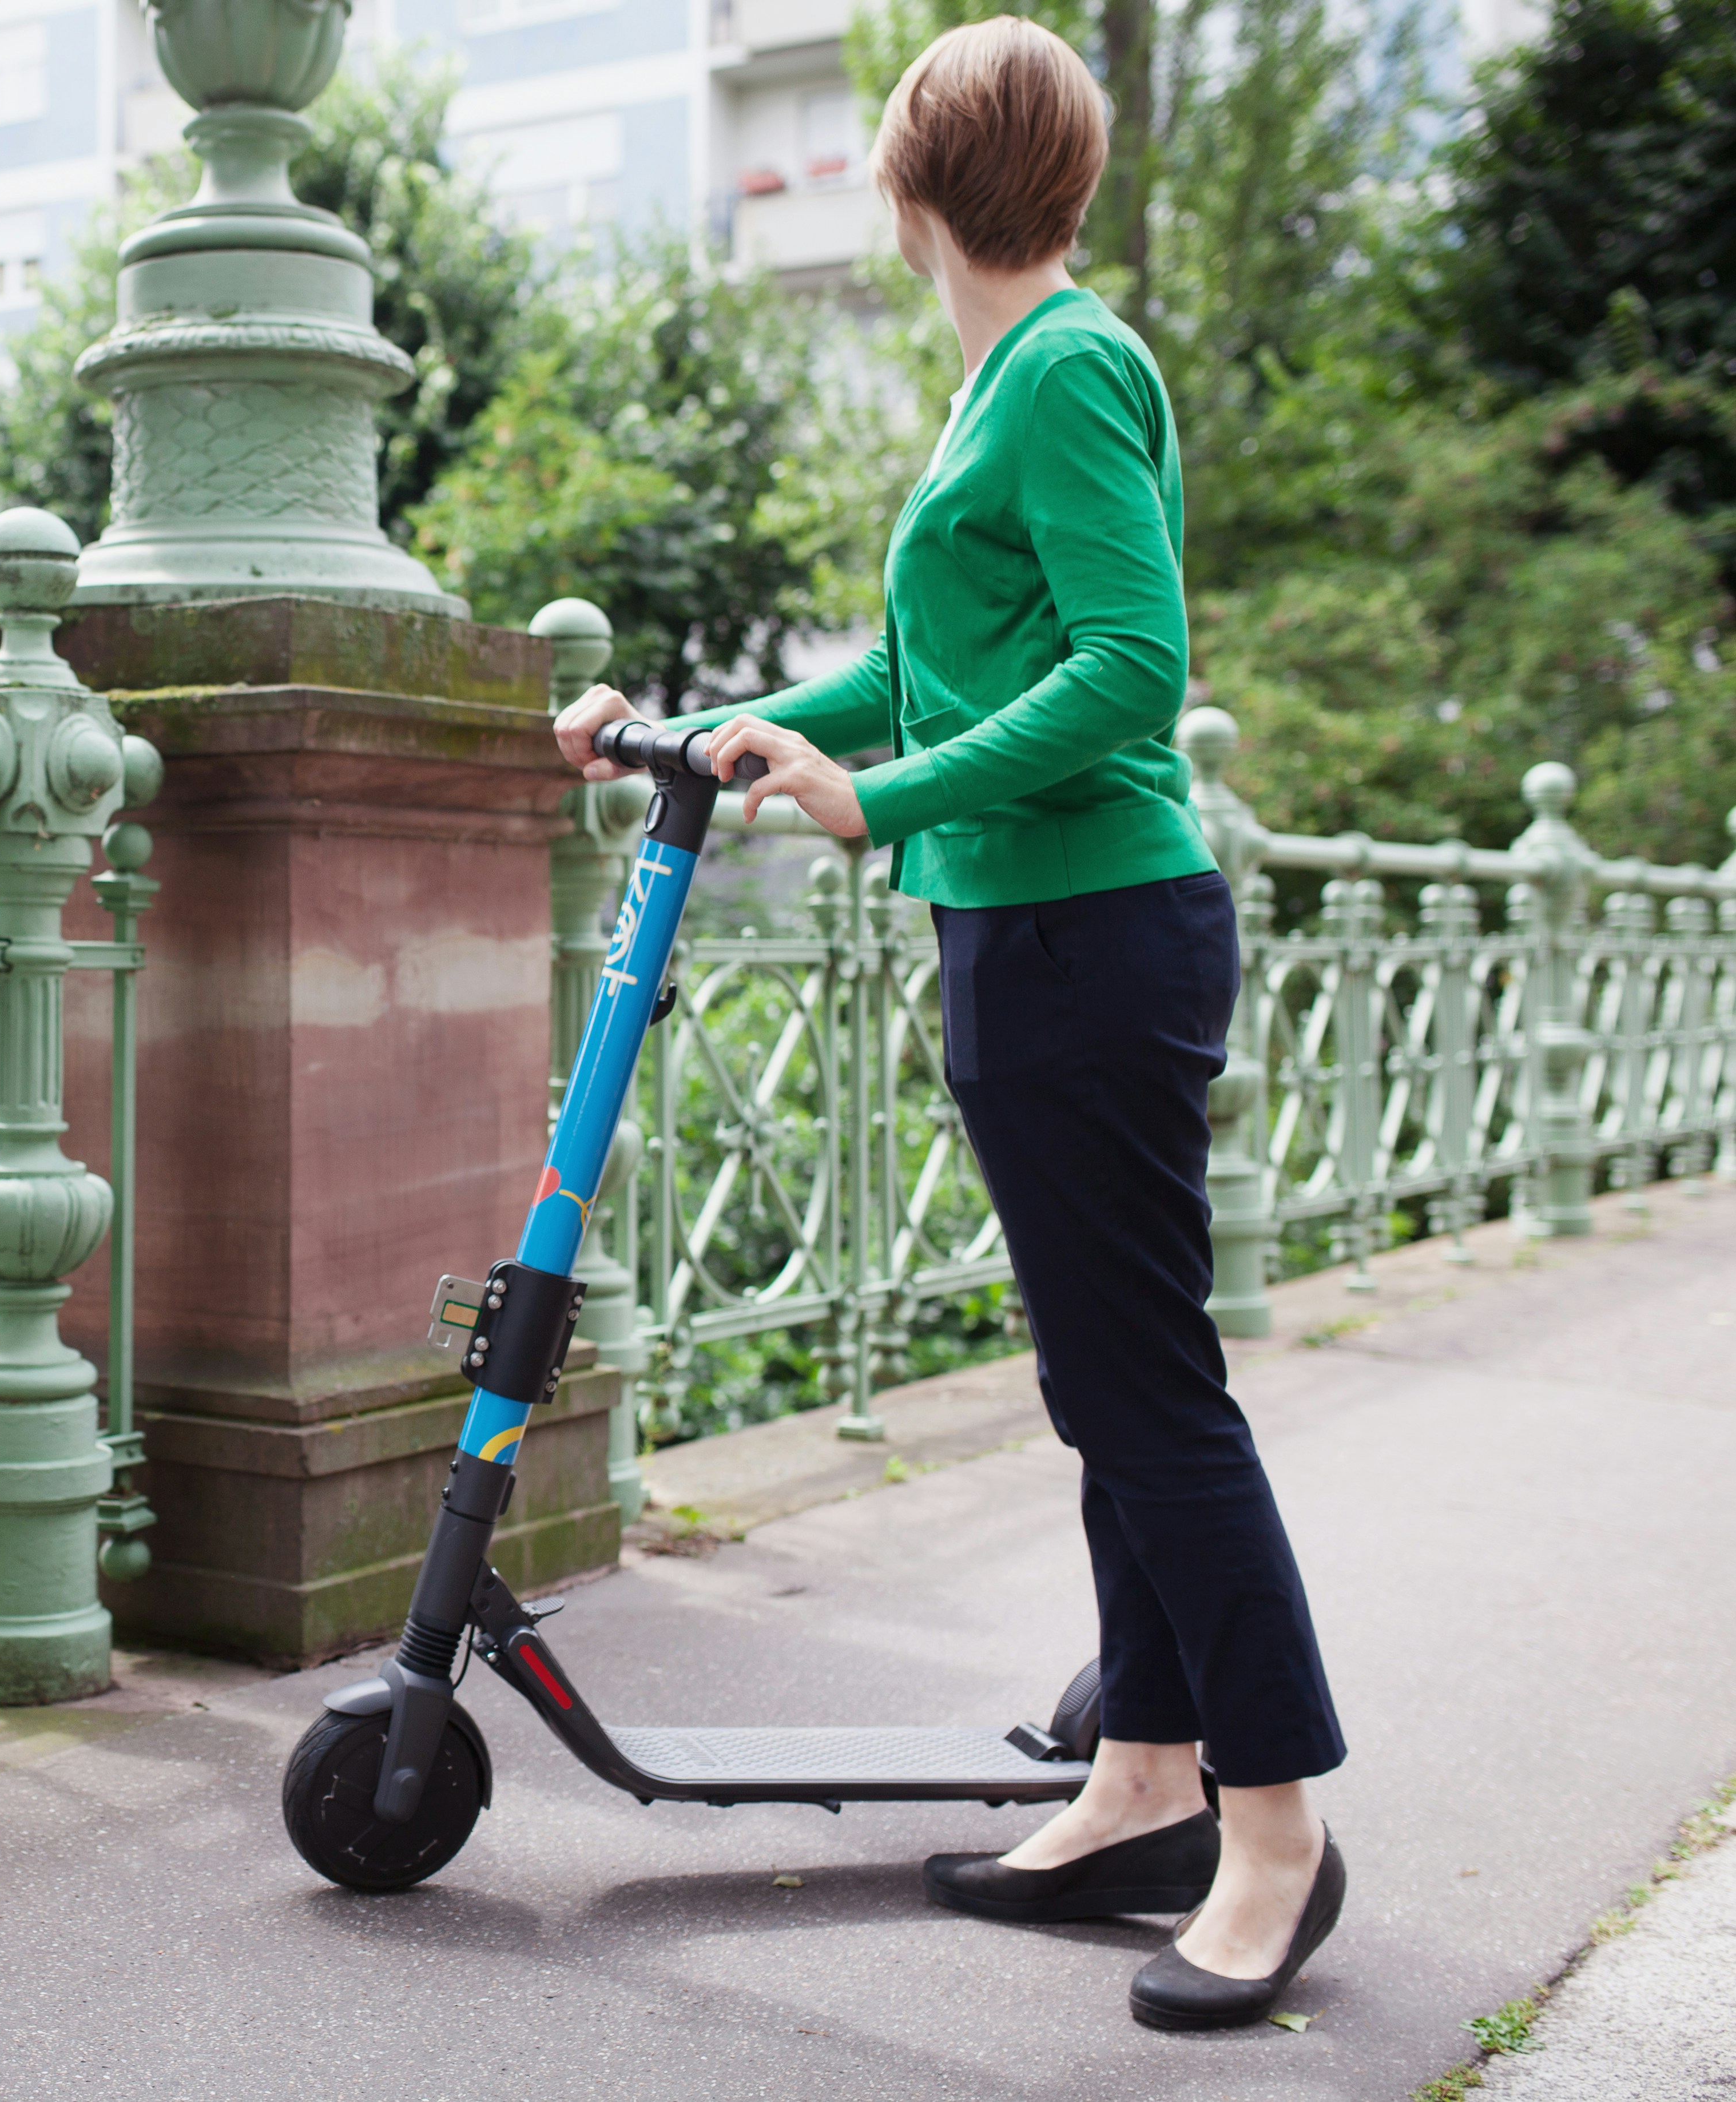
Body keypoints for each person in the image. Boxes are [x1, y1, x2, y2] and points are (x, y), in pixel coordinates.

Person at [554, 14, 1345, 2033]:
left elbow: (1127, 673)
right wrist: (759, 733)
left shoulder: (1067, 363)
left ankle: (1271, 1840)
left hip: (1094, 927)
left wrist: (875, 798)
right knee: (1103, 1391)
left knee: (1153, 1398)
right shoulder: (1004, 373)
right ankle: (1141, 1779)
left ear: (910, 182)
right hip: (1024, 931)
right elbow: (924, 662)